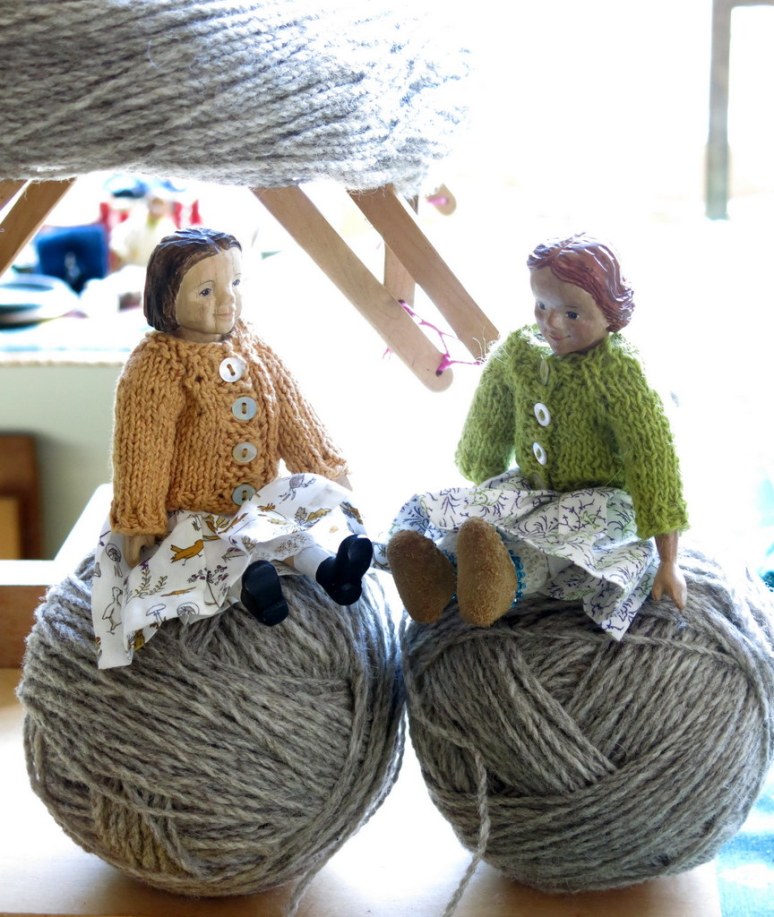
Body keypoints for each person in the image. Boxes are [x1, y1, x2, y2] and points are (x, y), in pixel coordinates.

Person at [383, 232, 688, 637]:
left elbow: (653, 461)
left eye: (572, 314)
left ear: (611, 314)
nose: (551, 323)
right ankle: (434, 573)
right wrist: (485, 477)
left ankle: (501, 580)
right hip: (531, 486)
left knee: (551, 546)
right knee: (482, 519)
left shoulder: (620, 375)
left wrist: (668, 560)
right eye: (542, 305)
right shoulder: (520, 353)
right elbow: (490, 415)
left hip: (598, 503)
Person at [92, 227, 372, 668]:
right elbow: (142, 448)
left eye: (235, 283)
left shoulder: (253, 345)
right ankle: (253, 588)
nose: (228, 300)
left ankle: (332, 572)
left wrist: (324, 467)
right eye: (206, 291)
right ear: (167, 297)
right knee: (203, 553)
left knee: (285, 533)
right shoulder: (156, 366)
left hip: (258, 501)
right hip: (191, 511)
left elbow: (293, 412)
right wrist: (140, 518)